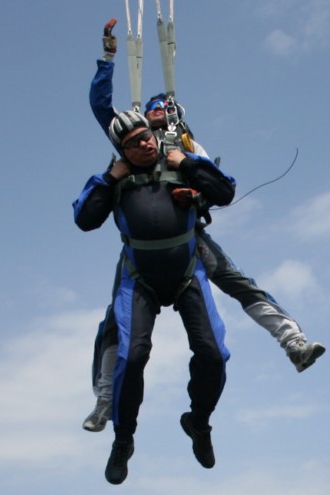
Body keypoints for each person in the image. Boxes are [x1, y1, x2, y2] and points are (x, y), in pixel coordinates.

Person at [82, 20, 325, 433]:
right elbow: (102, 109)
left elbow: (217, 187)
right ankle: (106, 397)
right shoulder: (131, 140)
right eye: (153, 108)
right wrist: (107, 59)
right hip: (141, 251)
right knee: (117, 324)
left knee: (238, 284)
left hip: (189, 240)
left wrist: (194, 196)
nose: (158, 114)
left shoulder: (186, 145)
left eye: (165, 109)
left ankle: (292, 341)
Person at [73, 111, 236, 484]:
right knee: (131, 358)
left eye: (146, 136)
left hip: (186, 272)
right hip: (139, 278)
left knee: (213, 354)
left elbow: (224, 193)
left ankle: (198, 423)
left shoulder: (180, 160)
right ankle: (123, 440)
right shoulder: (114, 178)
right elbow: (85, 220)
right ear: (123, 151)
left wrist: (188, 165)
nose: (146, 144)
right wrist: (110, 177)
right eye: (134, 143)